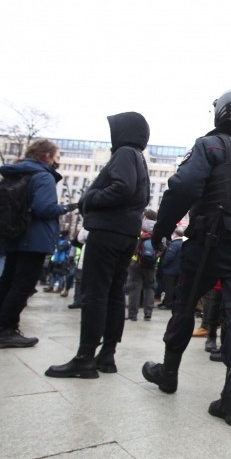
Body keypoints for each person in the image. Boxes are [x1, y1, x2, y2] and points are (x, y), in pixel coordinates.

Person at [141, 89, 231, 428]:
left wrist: (162, 228)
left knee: (185, 305)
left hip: (207, 245)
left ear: (221, 114)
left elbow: (184, 187)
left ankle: (169, 374)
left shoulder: (212, 145)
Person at [45, 111, 150, 377]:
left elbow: (122, 188)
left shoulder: (125, 153)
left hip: (108, 231)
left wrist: (89, 199)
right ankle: (107, 355)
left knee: (95, 293)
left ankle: (84, 358)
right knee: (114, 294)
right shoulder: (138, 158)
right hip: (125, 233)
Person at [0, 139, 75, 348]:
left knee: (6, 281)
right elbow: (44, 208)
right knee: (22, 285)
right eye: (57, 156)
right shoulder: (43, 176)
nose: (58, 160)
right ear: (47, 156)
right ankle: (6, 329)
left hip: (13, 235)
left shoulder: (15, 173)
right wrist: (66, 208)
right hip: (34, 238)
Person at [126, 209, 159, 321]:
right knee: (150, 288)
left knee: (134, 288)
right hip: (152, 264)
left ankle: (132, 314)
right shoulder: (159, 229)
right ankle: (148, 313)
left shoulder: (139, 226)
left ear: (145, 217)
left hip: (136, 262)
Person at [158, 227, 184, 310]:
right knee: (175, 287)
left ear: (175, 234)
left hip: (170, 270)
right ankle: (170, 302)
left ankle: (168, 303)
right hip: (178, 270)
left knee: (169, 287)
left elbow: (169, 257)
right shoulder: (183, 244)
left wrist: (163, 264)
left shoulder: (174, 244)